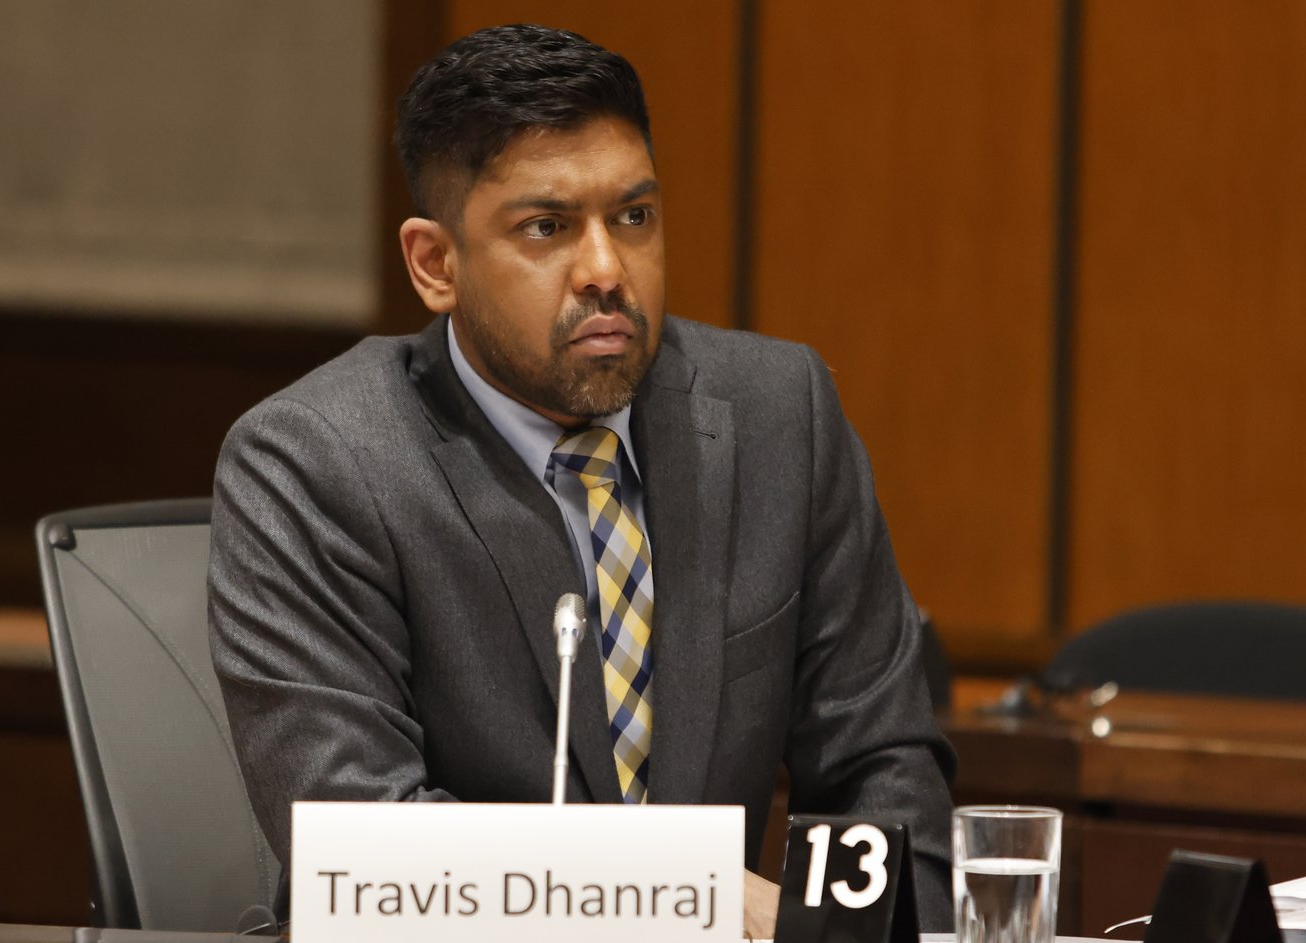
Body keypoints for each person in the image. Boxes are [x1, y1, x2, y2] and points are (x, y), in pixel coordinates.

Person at [208, 23, 956, 935]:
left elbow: (883, 768)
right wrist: (696, 899)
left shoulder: (777, 417)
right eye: (547, 228)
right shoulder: (317, 460)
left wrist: (835, 932)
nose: (606, 270)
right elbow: (366, 844)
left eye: (633, 217)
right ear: (436, 264)